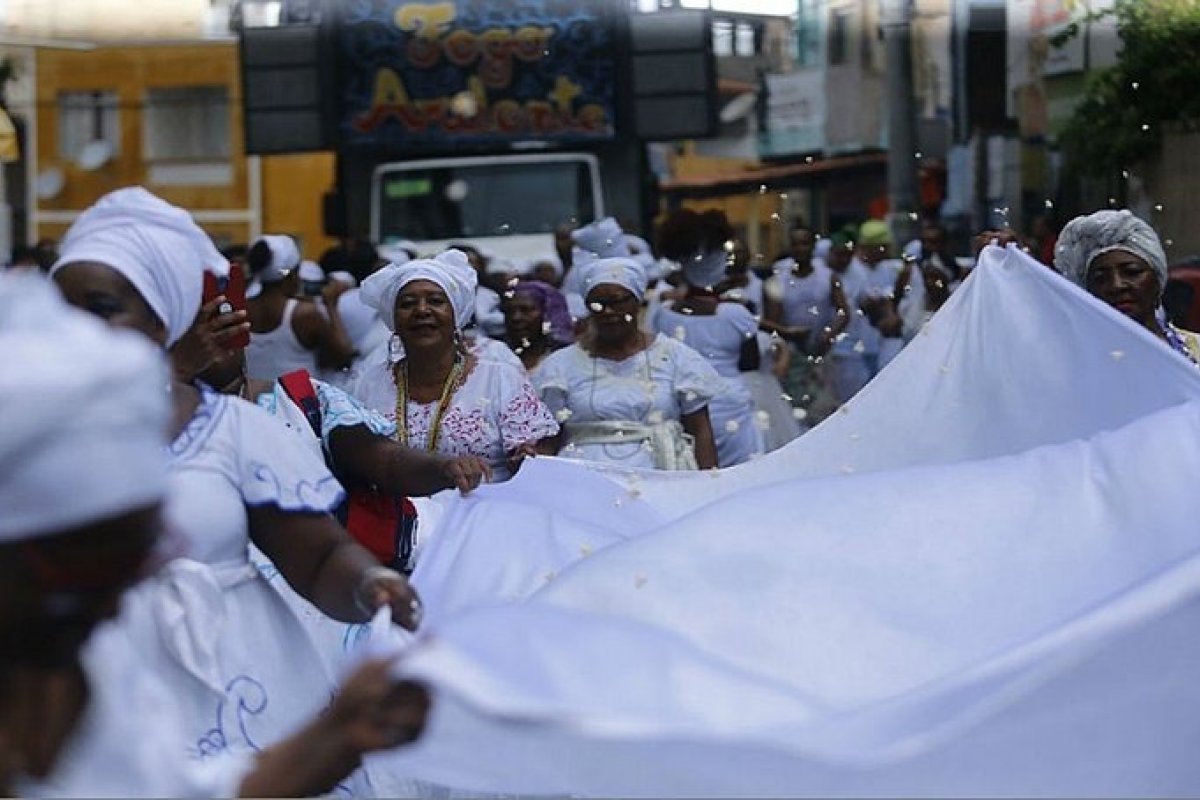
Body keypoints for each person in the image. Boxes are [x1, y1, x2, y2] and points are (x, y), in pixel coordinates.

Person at [0, 273, 429, 798]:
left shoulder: (86, 670)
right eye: (92, 572)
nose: (121, 606)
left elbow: (170, 788)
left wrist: (339, 737)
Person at [352, 249, 560, 481]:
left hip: (484, 501)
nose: (422, 310)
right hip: (394, 503)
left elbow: (538, 452)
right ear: (393, 320)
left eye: (436, 301)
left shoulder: (499, 378)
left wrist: (526, 456)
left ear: (456, 315)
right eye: (408, 304)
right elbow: (353, 457)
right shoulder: (369, 383)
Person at [534, 256, 721, 470]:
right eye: (598, 304)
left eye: (617, 301)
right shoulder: (560, 365)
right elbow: (548, 440)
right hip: (585, 479)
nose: (608, 311)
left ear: (637, 302)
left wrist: (709, 482)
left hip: (662, 475)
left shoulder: (675, 357)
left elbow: (700, 430)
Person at [652, 209, 763, 467]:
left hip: (685, 408)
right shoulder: (736, 314)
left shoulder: (664, 314)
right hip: (731, 407)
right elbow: (751, 363)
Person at [1053, 208, 1200, 362]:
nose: (1117, 286)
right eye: (1101, 279)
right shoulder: (1074, 361)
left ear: (1157, 279)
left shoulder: (1195, 348)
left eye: (1132, 272)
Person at [762, 220, 851, 424]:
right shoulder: (780, 279)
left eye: (805, 243)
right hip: (791, 354)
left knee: (825, 411)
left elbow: (843, 311)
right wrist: (788, 333)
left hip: (822, 352)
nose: (801, 249)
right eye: (796, 244)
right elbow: (771, 321)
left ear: (813, 246)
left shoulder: (827, 276)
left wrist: (829, 334)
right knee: (794, 412)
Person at [243, 233, 357, 380]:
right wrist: (331, 307)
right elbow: (343, 357)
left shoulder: (241, 310)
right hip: (297, 395)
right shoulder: (305, 314)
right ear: (291, 276)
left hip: (251, 394)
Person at [502, 279, 575, 372]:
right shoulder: (497, 355)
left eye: (526, 310)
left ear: (548, 313)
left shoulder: (569, 359)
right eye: (509, 311)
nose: (515, 318)